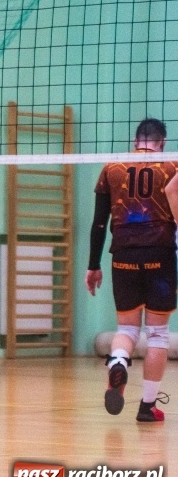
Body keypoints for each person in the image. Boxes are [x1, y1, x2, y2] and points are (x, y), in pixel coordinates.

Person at [86, 118, 177, 422]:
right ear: (162, 142)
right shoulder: (172, 166)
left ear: (134, 139)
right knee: (158, 334)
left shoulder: (113, 167)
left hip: (122, 255)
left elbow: (99, 223)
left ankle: (120, 363)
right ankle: (147, 407)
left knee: (126, 330)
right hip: (160, 256)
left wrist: (93, 265)